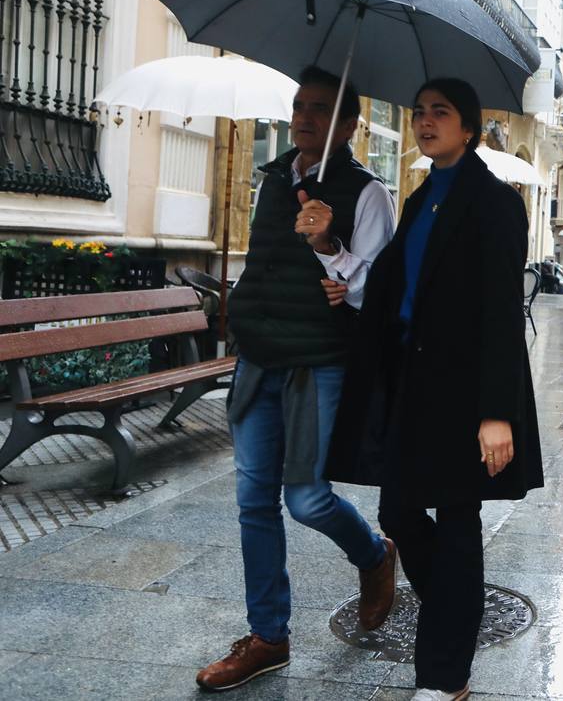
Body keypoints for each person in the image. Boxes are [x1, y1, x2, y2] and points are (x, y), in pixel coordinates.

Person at [327, 78, 543, 701]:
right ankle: (454, 607)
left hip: (464, 388)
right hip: (413, 384)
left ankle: (445, 677)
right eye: (419, 112)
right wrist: (331, 252)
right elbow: (391, 284)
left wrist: (496, 412)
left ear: (469, 127)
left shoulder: (494, 202)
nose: (425, 122)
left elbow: (499, 311)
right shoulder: (422, 199)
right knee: (397, 511)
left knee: (456, 520)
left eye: (439, 113)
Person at [196, 67, 398, 692]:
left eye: (320, 109)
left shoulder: (368, 195)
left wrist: (329, 241)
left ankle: (374, 553)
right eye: (299, 106)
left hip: (318, 363)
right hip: (259, 358)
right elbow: (263, 260)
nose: (305, 117)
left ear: (347, 126)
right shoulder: (271, 181)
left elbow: (374, 289)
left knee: (306, 499)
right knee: (253, 500)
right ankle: (268, 637)